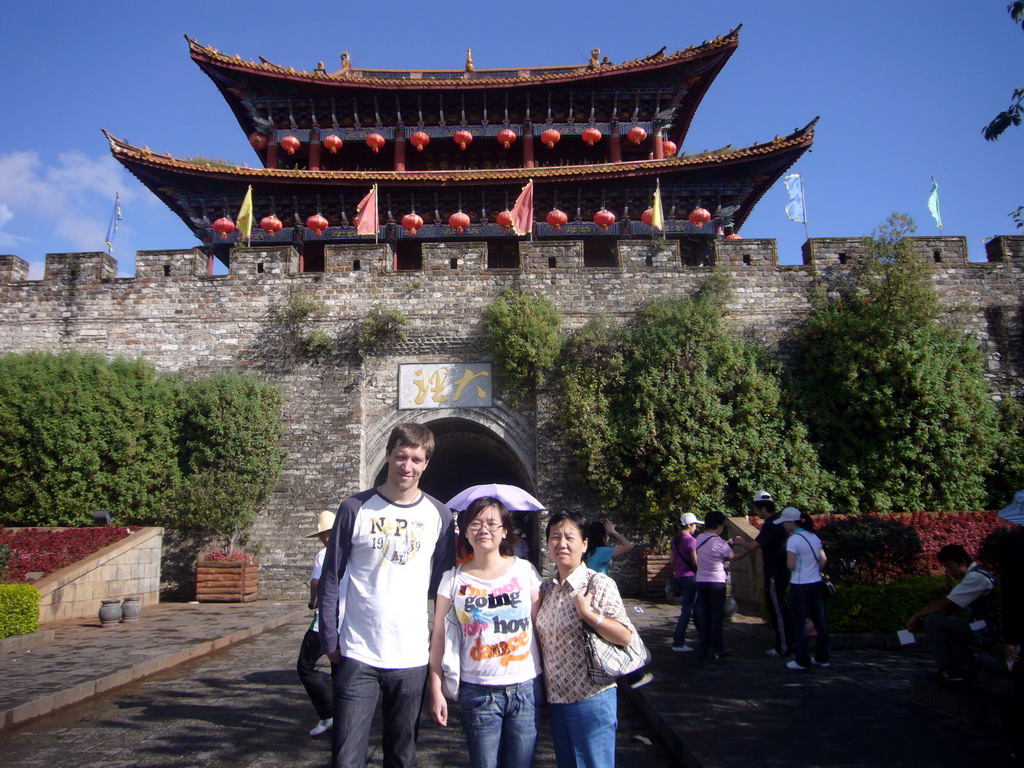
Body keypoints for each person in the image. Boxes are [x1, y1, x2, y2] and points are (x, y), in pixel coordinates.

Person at [318, 422, 456, 768]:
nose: (407, 466)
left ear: (426, 464)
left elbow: (443, 588)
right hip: (358, 652)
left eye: (416, 459)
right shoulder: (355, 508)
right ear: (388, 456)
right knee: (346, 756)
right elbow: (331, 577)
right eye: (401, 457)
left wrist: (440, 652)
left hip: (410, 656)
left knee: (402, 754)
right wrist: (330, 640)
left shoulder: (438, 515)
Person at [427, 496, 543, 768]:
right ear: (465, 531)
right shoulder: (453, 579)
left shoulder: (525, 572)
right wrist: (435, 686)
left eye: (492, 523)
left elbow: (540, 629)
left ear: (505, 531)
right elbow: (439, 636)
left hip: (526, 688)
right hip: (478, 691)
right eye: (475, 523)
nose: (483, 530)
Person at [536, 511, 638, 768]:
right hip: (558, 700)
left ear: (584, 544)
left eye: (570, 537)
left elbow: (625, 636)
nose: (561, 544)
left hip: (591, 697)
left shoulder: (598, 584)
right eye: (555, 537)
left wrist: (589, 615)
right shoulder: (546, 589)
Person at [906, 544, 998, 682]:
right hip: (981, 626)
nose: (949, 571)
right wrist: (948, 588)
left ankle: (948, 668)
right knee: (946, 624)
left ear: (962, 561)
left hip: (987, 629)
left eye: (950, 566)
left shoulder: (976, 578)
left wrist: (917, 615)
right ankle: (964, 665)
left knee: (933, 621)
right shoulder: (977, 574)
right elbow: (950, 607)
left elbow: (946, 604)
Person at [734, 491, 794, 658]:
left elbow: (754, 546)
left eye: (757, 509)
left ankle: (783, 647)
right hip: (781, 571)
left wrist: (740, 542)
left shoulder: (772, 523)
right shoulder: (778, 522)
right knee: (780, 608)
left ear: (762, 509)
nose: (756, 512)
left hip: (775, 572)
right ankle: (786, 644)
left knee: (778, 610)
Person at [297, 509, 336, 737]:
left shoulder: (324, 555)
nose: (324, 538)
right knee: (339, 669)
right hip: (347, 620)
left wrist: (313, 601)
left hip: (325, 621)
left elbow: (315, 582)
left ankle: (327, 713)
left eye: (326, 533)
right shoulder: (351, 551)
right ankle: (345, 716)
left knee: (305, 666)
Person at [778, 507, 830, 671]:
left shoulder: (793, 540)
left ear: (789, 522)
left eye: (784, 523)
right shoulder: (813, 536)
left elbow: (790, 565)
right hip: (815, 582)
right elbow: (823, 559)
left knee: (799, 622)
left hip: (800, 584)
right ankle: (822, 657)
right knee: (820, 620)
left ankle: (802, 659)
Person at [694, 510, 748, 660]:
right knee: (716, 616)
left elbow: (715, 548)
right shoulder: (718, 542)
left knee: (704, 615)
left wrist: (729, 542)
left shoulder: (699, 538)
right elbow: (732, 557)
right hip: (716, 582)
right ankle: (717, 648)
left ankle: (704, 647)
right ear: (719, 525)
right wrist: (747, 552)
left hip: (701, 581)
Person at [670, 512, 702, 653]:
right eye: (694, 525)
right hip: (690, 577)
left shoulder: (674, 540)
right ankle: (678, 641)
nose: (695, 527)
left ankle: (703, 637)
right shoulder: (691, 541)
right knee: (688, 610)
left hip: (678, 576)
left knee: (693, 608)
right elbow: (695, 562)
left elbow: (671, 560)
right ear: (689, 525)